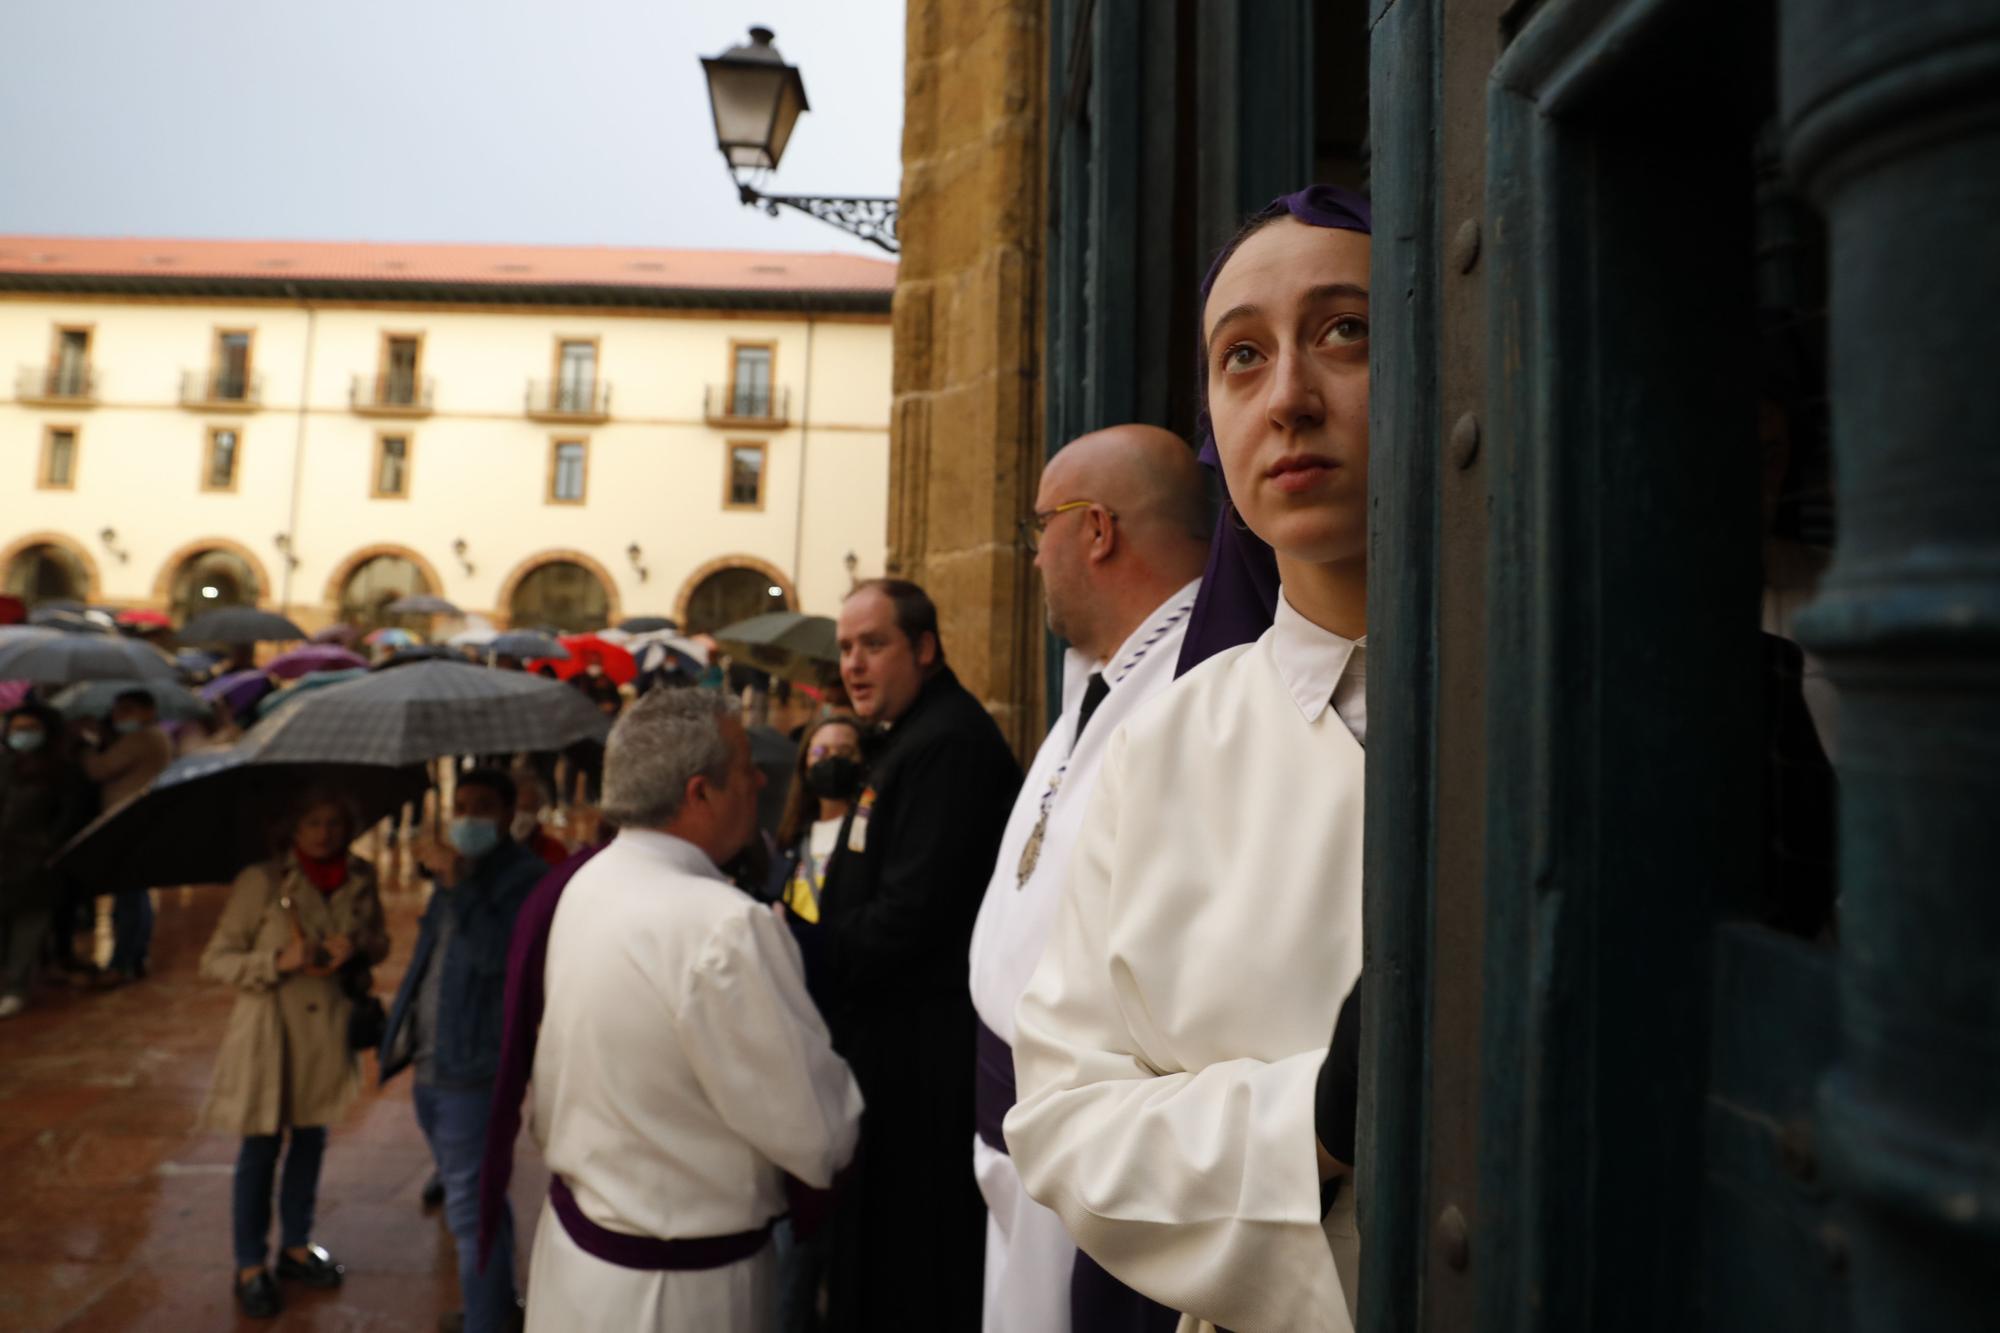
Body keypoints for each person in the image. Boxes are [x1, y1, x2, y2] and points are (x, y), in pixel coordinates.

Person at [1006, 185, 1375, 1333]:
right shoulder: (1161, 747)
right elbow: (1060, 1118)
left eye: (1343, 331)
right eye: (1241, 357)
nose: (1288, 399)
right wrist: (1310, 1119)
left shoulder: (1568, 693)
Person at [965, 424, 1210, 1333]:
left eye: (1041, 527)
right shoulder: (1101, 679)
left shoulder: (1201, 686)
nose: (1032, 558)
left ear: (1098, 528)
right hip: (1019, 1138)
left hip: (1097, 1152)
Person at [522, 688, 862, 1333]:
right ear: (699, 793)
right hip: (679, 1294)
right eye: (743, 767)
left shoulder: (587, 881)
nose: (761, 779)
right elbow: (820, 1135)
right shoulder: (724, 926)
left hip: (577, 1266)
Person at [818, 579, 1022, 1332]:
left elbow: (912, 917)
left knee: (910, 1268)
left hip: (921, 1065)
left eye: (873, 644)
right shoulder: (908, 734)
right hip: (886, 1053)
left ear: (926, 648)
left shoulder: (947, 745)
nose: (854, 664)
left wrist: (810, 943)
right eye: (845, 648)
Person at [197, 790, 391, 1319]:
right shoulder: (261, 882)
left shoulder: (360, 875)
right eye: (312, 823)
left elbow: (381, 939)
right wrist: (276, 959)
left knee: (311, 1137)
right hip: (269, 1032)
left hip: (326, 1031)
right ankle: (249, 1263)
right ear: (291, 829)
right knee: (259, 1147)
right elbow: (216, 960)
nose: (324, 833)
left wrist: (359, 946)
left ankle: (297, 1245)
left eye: (333, 822)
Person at [380, 767, 546, 1333]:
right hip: (432, 1056)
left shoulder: (522, 878)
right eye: (461, 806)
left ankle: (485, 1321)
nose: (468, 819)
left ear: (506, 815)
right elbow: (431, 956)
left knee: (471, 1211)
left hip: (475, 1066)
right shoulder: (458, 874)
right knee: (480, 1199)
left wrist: (460, 885)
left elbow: (494, 959)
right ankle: (494, 1307)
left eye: (482, 808)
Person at [765, 711, 867, 1331]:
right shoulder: (787, 844)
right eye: (820, 749)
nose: (830, 759)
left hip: (849, 1026)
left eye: (844, 749)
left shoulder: (868, 838)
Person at [0, 703, 93, 1017]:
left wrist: (46, 848)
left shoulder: (64, 771)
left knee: (29, 929)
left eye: (29, 728)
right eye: (16, 728)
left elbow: (71, 817)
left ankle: (17, 987)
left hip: (38, 865)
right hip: (4, 861)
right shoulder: (4, 765)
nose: (21, 735)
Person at [80, 688, 173, 983]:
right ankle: (134, 957)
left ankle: (123, 962)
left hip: (128, 821)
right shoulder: (157, 736)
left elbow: (99, 769)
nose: (121, 716)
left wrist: (88, 746)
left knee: (130, 895)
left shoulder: (141, 738)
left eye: (128, 709)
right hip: (142, 820)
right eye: (118, 709)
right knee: (136, 894)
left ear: (148, 711)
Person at [508, 767, 568, 866]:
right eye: (515, 808)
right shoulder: (484, 851)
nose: (520, 815)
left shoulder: (553, 851)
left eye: (528, 809)